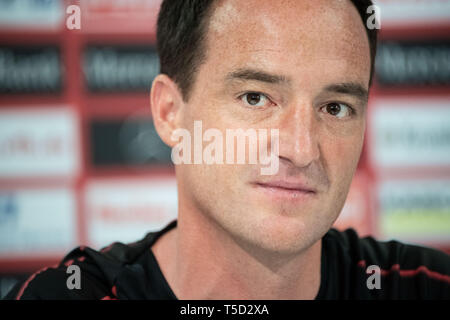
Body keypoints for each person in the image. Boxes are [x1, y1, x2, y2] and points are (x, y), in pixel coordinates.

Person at [5, 0, 450, 300]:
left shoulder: (426, 286)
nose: (301, 149)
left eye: (335, 107)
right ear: (168, 113)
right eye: (255, 98)